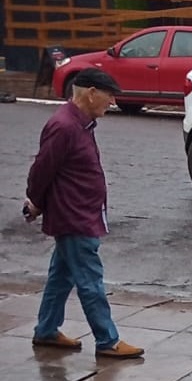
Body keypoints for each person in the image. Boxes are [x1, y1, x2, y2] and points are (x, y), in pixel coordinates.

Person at [23, 68, 144, 359]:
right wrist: (35, 202)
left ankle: (47, 330)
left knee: (61, 277)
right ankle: (107, 340)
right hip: (74, 217)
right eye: (109, 95)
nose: (112, 102)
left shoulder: (80, 124)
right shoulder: (64, 126)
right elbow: (42, 171)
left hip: (79, 213)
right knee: (90, 281)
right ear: (91, 93)